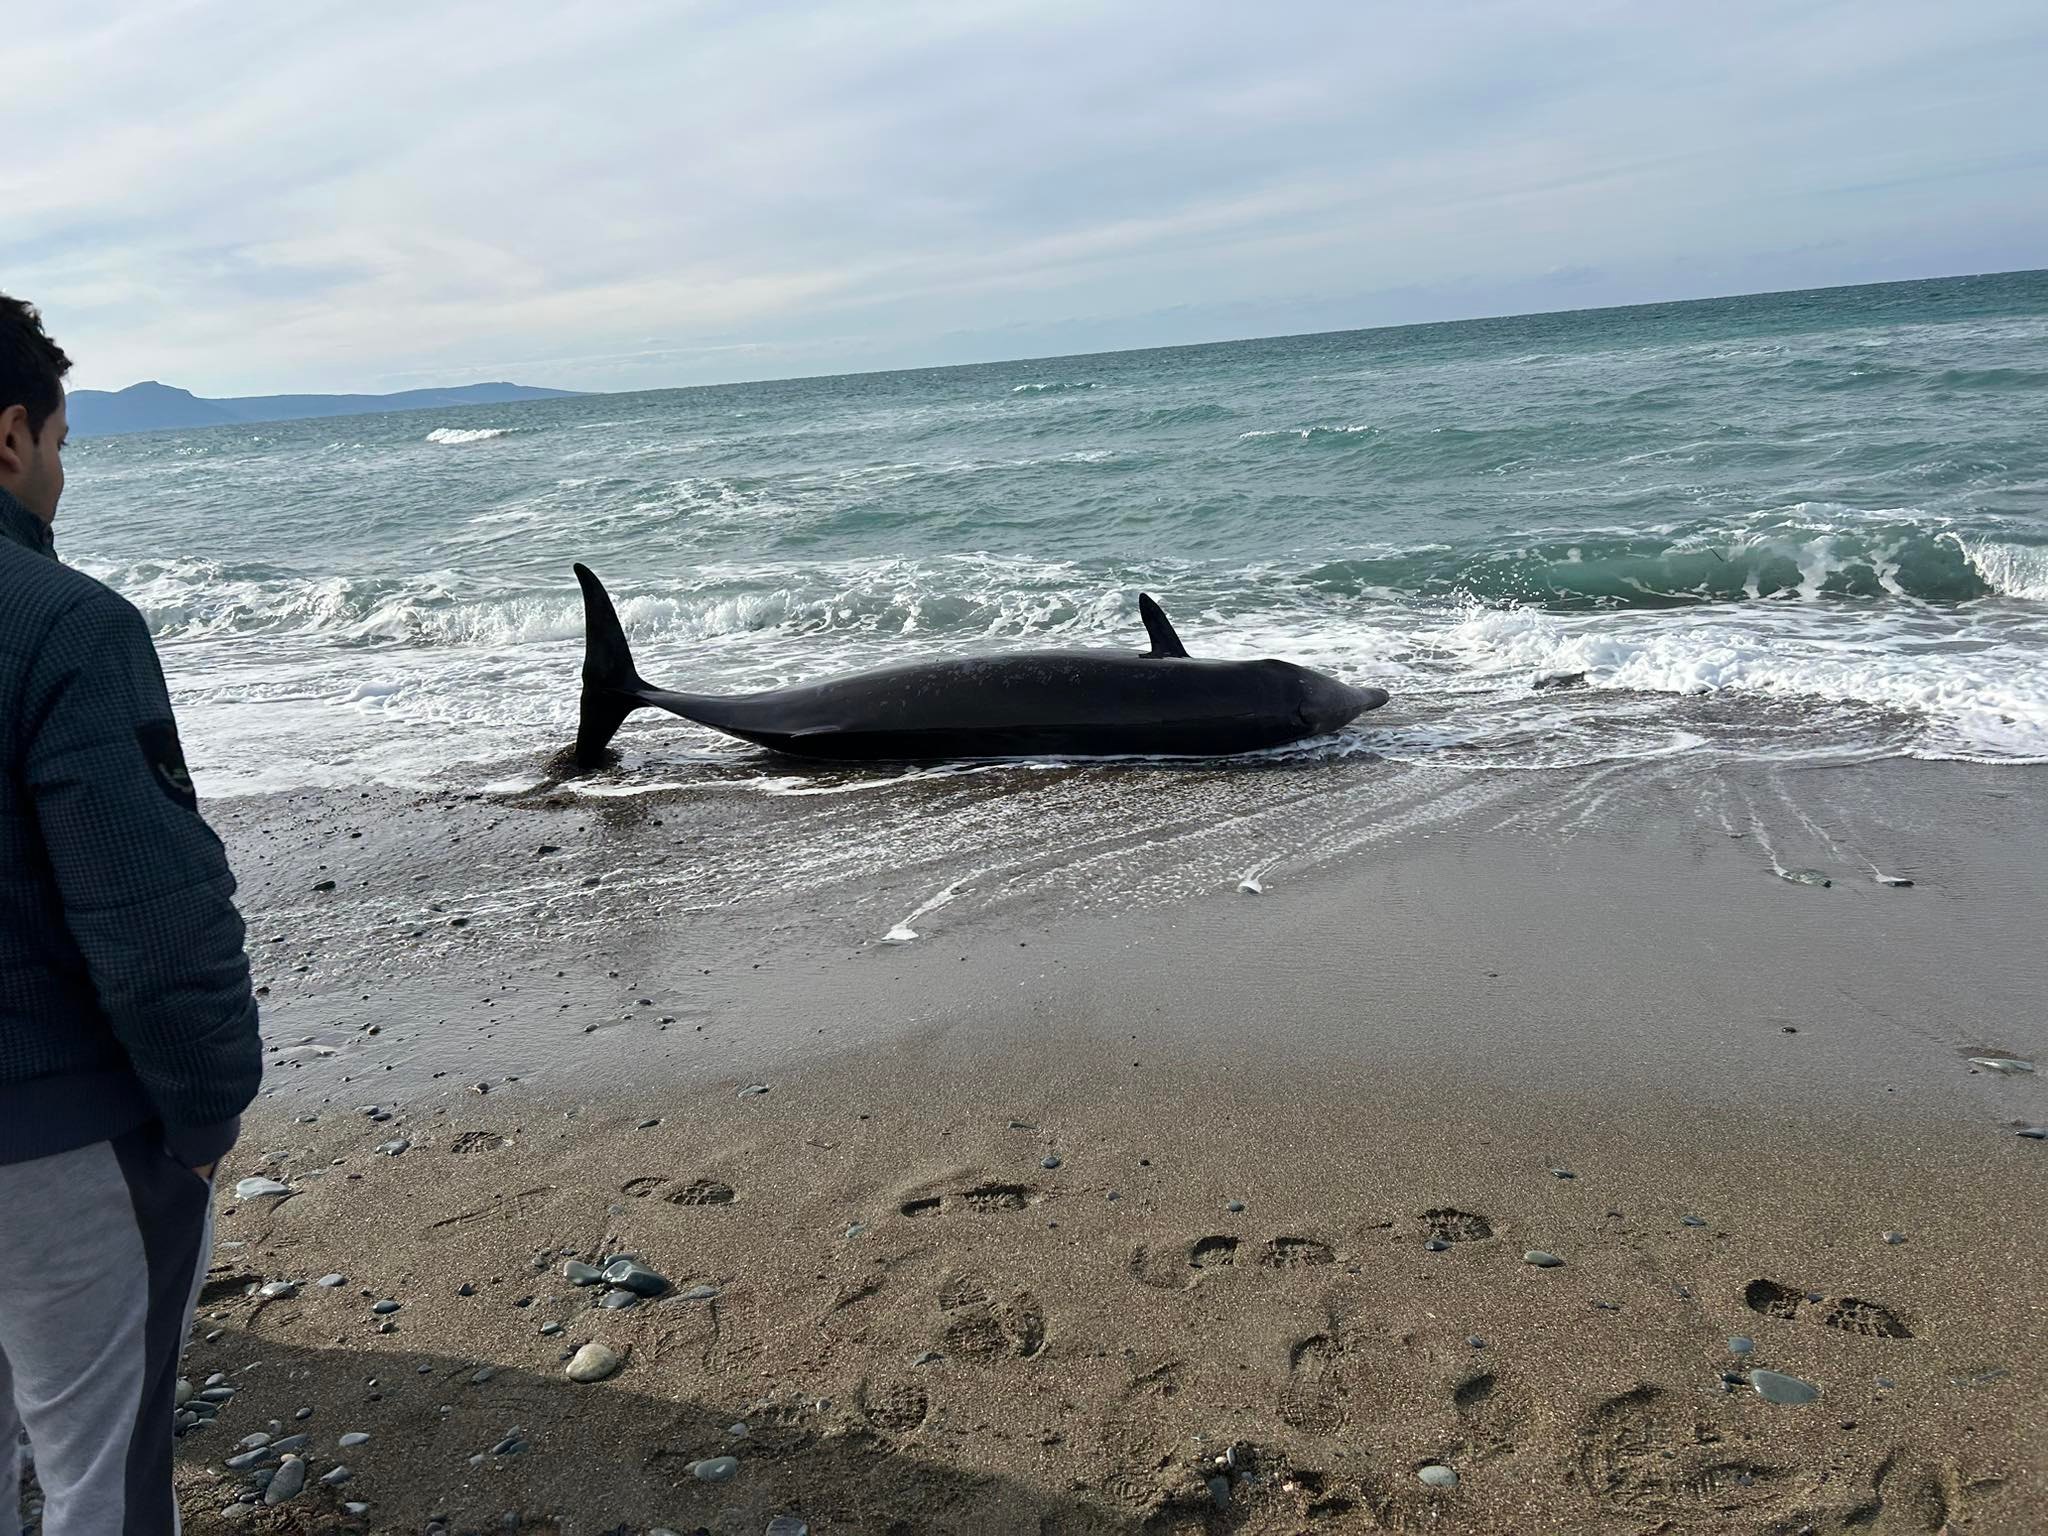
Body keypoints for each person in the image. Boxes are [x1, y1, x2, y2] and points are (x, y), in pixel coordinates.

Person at [0, 294, 262, 1533]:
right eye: (62, 441)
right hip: (56, 1134)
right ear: (12, 439)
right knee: (101, 1474)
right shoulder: (65, 627)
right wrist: (206, 1113)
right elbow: (155, 924)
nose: (61, 472)